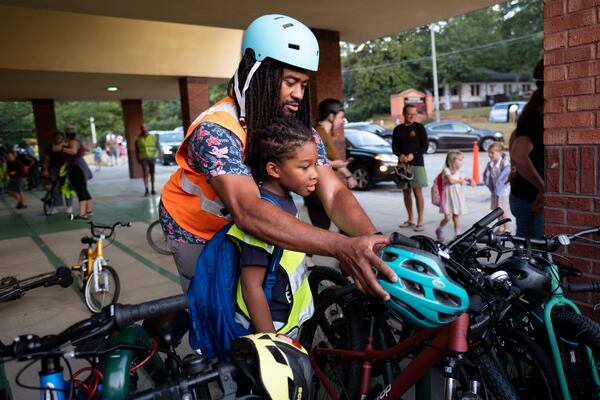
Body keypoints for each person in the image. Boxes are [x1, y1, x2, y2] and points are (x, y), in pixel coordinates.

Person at [159, 14, 395, 297]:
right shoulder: (216, 131)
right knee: (215, 308)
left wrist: (371, 242)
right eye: (290, 82)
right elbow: (248, 211)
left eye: (304, 85)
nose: (298, 94)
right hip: (197, 232)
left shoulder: (296, 130)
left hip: (250, 225)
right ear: (258, 75)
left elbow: (332, 193)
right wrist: (339, 245)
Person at [233, 117, 315, 338]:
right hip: (272, 324)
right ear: (274, 169)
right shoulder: (265, 213)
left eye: (315, 165)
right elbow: (251, 286)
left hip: (287, 316)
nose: (315, 174)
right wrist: (271, 342)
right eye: (305, 167)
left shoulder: (286, 200)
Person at [303, 99, 356, 266]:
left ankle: (308, 258)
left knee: (321, 226)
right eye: (340, 117)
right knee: (347, 223)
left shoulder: (325, 134)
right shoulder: (316, 133)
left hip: (321, 187)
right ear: (331, 116)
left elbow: (333, 161)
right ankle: (349, 259)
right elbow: (314, 160)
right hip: (319, 188)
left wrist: (348, 175)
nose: (341, 121)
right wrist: (336, 165)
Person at [509, 59, 544, 239]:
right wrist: (542, 188)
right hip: (531, 198)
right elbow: (518, 153)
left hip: (522, 194)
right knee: (537, 254)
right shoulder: (539, 114)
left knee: (524, 249)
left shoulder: (532, 110)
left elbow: (514, 137)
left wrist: (513, 169)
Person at [391, 104, 429, 232]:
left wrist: (414, 155)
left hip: (417, 164)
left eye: (414, 113)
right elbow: (394, 147)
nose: (412, 116)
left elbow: (425, 146)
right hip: (402, 165)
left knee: (418, 193)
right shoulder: (397, 129)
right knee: (406, 193)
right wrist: (400, 155)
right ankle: (410, 219)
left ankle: (420, 221)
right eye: (409, 113)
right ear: (403, 114)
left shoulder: (419, 128)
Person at [435, 151, 470, 242]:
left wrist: (470, 180)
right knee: (448, 217)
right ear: (453, 161)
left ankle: (457, 235)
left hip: (456, 197)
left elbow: (465, 178)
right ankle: (439, 229)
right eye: (460, 160)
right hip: (447, 198)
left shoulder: (459, 171)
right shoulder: (446, 170)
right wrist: (460, 181)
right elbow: (451, 181)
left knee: (456, 216)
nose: (462, 162)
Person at [61, 125, 93, 220]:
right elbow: (86, 149)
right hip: (81, 166)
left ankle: (82, 213)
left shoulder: (72, 142)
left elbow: (74, 151)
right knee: (83, 189)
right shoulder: (78, 141)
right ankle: (89, 211)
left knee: (80, 190)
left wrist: (62, 148)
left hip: (76, 168)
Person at [483, 142, 511, 234]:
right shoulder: (490, 164)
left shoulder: (504, 163)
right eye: (489, 153)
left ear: (500, 152)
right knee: (497, 210)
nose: (490, 155)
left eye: (492, 153)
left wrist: (500, 188)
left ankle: (507, 228)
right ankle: (501, 227)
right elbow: (487, 177)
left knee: (503, 210)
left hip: (503, 192)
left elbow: (505, 178)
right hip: (495, 191)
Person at [43, 130, 74, 214]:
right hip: (53, 169)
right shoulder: (49, 148)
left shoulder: (66, 147)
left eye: (60, 137)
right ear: (53, 138)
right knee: (55, 188)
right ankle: (57, 206)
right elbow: (46, 160)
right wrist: (45, 170)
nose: (58, 138)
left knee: (66, 187)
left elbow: (72, 156)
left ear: (62, 138)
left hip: (65, 169)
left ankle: (69, 206)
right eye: (56, 137)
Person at [135, 125, 159, 196]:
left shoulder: (152, 137)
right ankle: (146, 189)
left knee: (152, 173)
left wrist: (159, 155)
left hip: (152, 157)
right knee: (145, 173)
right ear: (141, 129)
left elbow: (158, 146)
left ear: (147, 128)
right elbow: (136, 150)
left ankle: (153, 189)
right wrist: (137, 158)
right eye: (142, 128)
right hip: (143, 157)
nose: (144, 129)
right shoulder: (138, 139)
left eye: (145, 128)